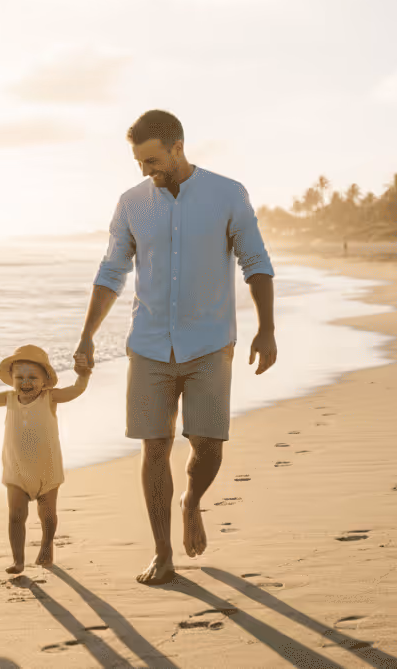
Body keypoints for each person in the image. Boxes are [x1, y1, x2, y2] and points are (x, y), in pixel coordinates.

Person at [73, 109, 276, 585]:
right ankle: (162, 551)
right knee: (155, 446)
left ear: (177, 147)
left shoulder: (227, 194)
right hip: (149, 344)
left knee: (208, 445)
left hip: (209, 343)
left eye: (152, 160)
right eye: (139, 163)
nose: (146, 170)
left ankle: (192, 500)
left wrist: (266, 328)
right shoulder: (131, 204)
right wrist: (86, 335)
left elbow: (255, 261)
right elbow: (111, 271)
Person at [0, 344, 91, 573]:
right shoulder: (9, 398)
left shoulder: (50, 397)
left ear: (45, 381)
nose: (26, 382)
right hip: (16, 471)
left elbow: (76, 390)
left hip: (47, 470)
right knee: (16, 516)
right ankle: (18, 560)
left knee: (48, 516)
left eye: (33, 377)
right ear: (12, 379)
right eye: (20, 377)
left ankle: (47, 545)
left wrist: (83, 374)